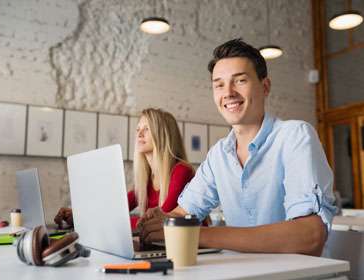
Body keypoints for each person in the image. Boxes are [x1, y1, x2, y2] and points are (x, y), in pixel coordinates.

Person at [138, 38, 336, 257]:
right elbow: (183, 213)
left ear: (265, 86)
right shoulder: (218, 155)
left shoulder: (295, 136)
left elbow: (309, 236)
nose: (228, 92)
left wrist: (192, 234)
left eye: (240, 81)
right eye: (219, 84)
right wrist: (157, 223)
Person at [54, 108, 194, 230]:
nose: (139, 134)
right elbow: (115, 209)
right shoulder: (147, 180)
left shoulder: (181, 171)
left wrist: (95, 222)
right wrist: (80, 217)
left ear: (163, 135)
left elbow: (157, 220)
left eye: (147, 129)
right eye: (138, 129)